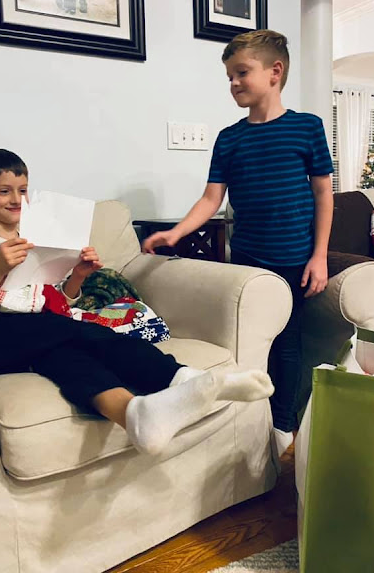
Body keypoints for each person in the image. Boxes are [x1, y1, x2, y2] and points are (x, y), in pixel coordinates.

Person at [0, 148, 274, 458]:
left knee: (65, 355)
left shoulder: (38, 240)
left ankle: (135, 415)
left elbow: (59, 300)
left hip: (42, 334)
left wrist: (78, 275)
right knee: (79, 331)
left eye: (22, 190)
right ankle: (180, 377)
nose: (16, 199)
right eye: (4, 191)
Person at [143, 30, 334, 457]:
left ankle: (282, 425)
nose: (233, 83)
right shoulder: (229, 138)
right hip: (246, 260)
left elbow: (324, 193)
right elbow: (211, 198)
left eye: (242, 73)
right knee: (248, 341)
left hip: (293, 259)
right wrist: (176, 232)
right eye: (229, 76)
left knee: (286, 344)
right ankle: (247, 422)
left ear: (275, 72)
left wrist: (319, 256)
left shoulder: (307, 128)